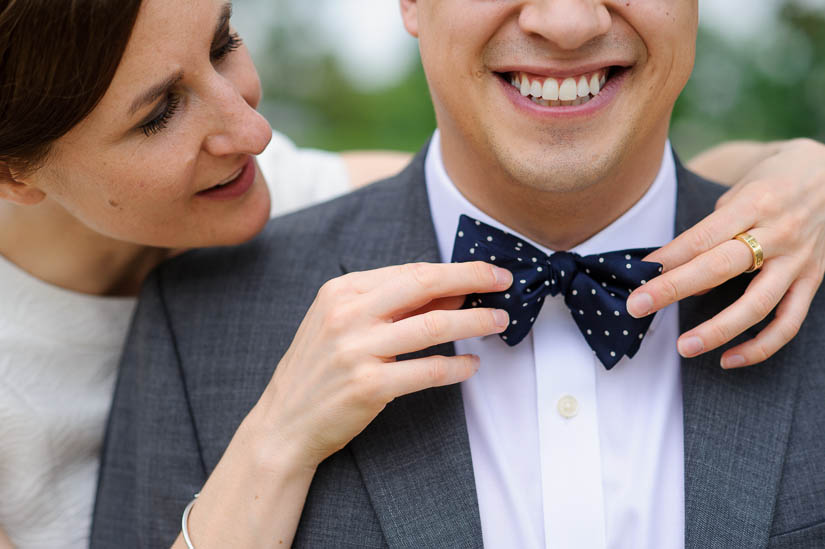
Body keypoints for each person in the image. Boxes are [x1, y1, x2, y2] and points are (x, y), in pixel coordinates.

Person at [0, 0, 822, 547]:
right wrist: (279, 439)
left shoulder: (799, 233)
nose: (253, 130)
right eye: (158, 113)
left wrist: (803, 161)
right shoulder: (192, 317)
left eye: (223, 44)